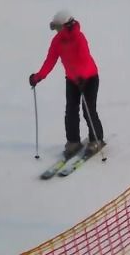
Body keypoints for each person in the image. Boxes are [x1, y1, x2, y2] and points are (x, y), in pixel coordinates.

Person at [29, 10, 104, 158]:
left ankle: (96, 139)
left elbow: (84, 59)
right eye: (55, 28)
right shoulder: (57, 41)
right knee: (70, 110)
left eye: (58, 27)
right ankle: (73, 141)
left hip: (89, 78)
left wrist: (82, 77)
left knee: (88, 109)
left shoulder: (79, 38)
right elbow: (50, 61)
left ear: (66, 26)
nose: (56, 31)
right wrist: (38, 76)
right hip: (72, 80)